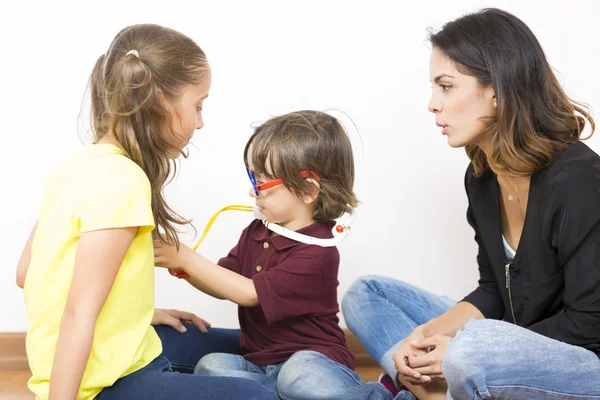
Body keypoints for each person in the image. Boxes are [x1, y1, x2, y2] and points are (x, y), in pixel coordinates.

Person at [342, 8, 600, 400]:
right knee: (365, 294)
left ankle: (442, 382)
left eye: (446, 86)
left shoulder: (579, 180)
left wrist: (469, 347)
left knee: (470, 352)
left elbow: (590, 323)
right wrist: (428, 336)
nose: (432, 103)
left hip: (581, 361)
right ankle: (436, 385)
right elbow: (494, 291)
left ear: (498, 90)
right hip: (503, 336)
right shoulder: (481, 177)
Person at [16, 23, 276, 400]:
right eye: (198, 105)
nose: (201, 121)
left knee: (251, 345)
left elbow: (28, 274)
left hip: (122, 351)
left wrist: (135, 315)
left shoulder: (77, 166)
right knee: (260, 396)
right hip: (101, 383)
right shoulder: (123, 181)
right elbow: (78, 312)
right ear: (158, 99)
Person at [154, 110, 408, 399]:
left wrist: (185, 257)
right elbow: (224, 284)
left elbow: (249, 293)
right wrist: (182, 267)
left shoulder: (317, 254)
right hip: (261, 366)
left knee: (297, 374)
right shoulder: (257, 231)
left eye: (262, 182)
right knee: (210, 367)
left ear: (308, 190)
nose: (253, 192)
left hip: (314, 363)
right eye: (253, 177)